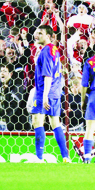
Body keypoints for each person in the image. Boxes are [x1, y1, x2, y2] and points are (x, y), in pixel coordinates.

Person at [30, 25, 70, 163]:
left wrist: (44, 95)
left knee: (37, 121)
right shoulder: (54, 49)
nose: (37, 35)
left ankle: (39, 158)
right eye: (37, 33)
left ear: (48, 36)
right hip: (55, 91)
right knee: (55, 123)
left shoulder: (46, 51)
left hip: (44, 91)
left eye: (40, 33)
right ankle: (65, 156)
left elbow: (48, 75)